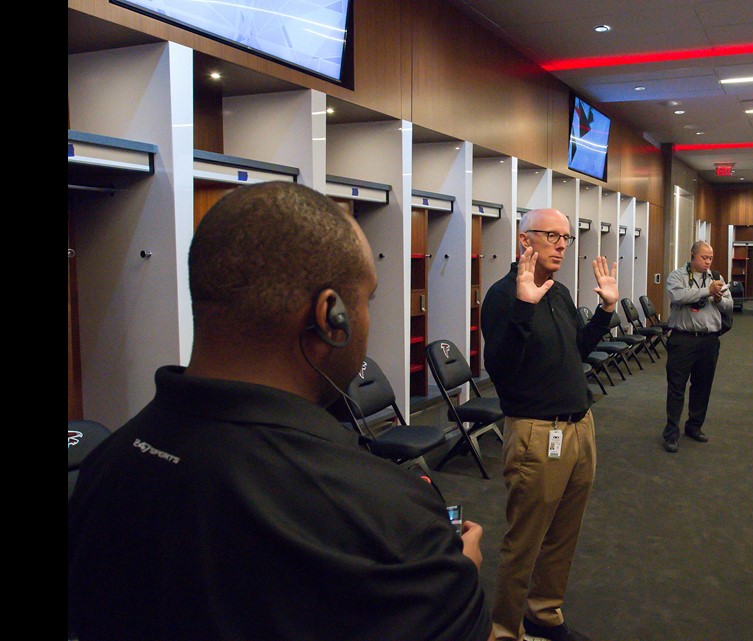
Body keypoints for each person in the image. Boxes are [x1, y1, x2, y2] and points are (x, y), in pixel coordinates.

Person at [68, 182, 492, 641]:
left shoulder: (103, 467)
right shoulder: (387, 514)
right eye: (366, 300)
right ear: (331, 315)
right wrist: (457, 582)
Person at [481, 208, 619, 641]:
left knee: (563, 534)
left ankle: (544, 613)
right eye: (552, 236)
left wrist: (605, 310)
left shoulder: (557, 293)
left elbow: (578, 351)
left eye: (566, 238)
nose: (562, 245)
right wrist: (524, 307)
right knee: (525, 542)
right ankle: (505, 630)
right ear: (526, 241)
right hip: (536, 434)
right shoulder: (504, 296)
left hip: (579, 428)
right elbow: (499, 368)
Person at [661, 240, 733, 452]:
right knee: (676, 387)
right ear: (692, 256)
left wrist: (718, 298)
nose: (707, 262)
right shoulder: (677, 276)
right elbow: (677, 295)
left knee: (702, 386)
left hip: (709, 340)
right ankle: (671, 433)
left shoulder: (717, 277)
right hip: (683, 339)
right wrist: (706, 291)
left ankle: (694, 426)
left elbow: (729, 305)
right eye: (703, 257)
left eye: (710, 258)